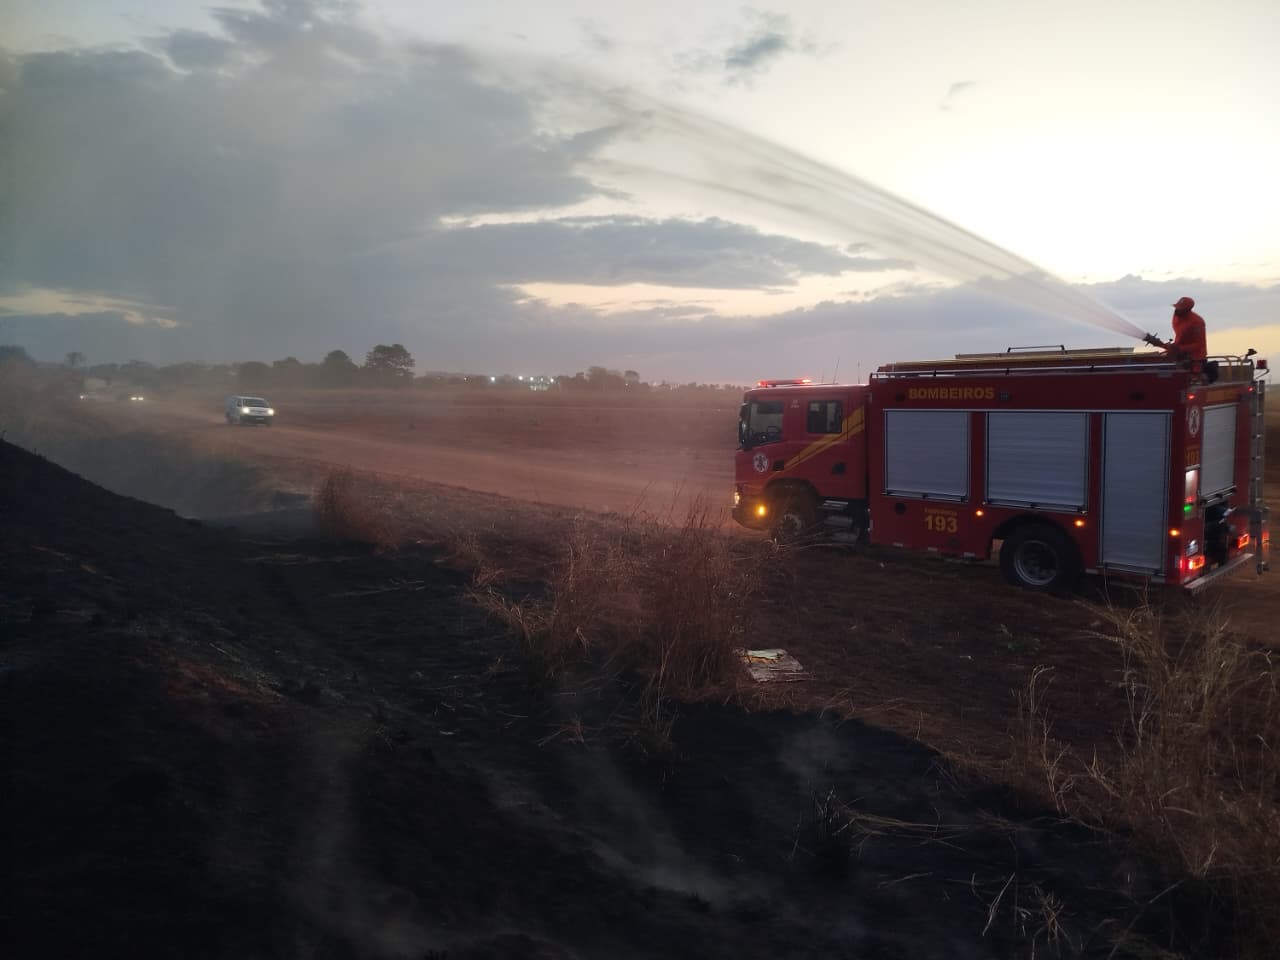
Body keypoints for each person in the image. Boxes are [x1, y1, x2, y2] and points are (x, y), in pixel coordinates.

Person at [1167, 296, 1207, 363]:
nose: (1177, 310)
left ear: (1187, 310)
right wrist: (1175, 346)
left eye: (1180, 309)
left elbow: (1199, 344)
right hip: (1181, 355)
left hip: (1196, 358)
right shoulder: (1176, 316)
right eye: (1177, 307)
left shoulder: (1197, 322)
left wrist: (1180, 348)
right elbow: (1180, 335)